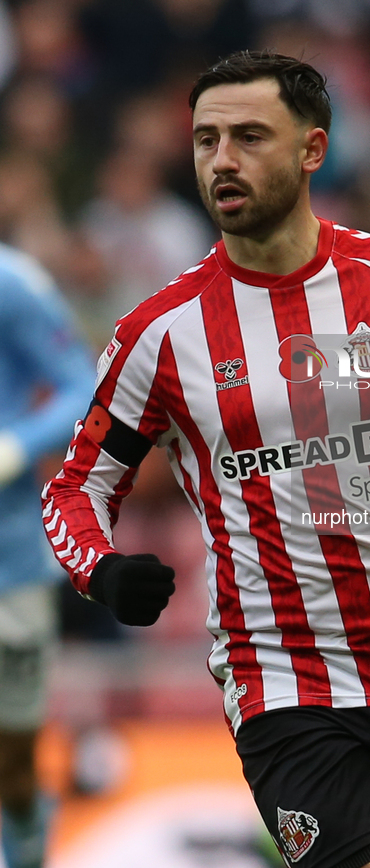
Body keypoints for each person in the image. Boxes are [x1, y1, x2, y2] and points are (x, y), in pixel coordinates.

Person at [42, 51, 370, 868]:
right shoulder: (159, 334)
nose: (222, 161)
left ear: (312, 150)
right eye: (206, 140)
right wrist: (101, 570)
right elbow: (76, 488)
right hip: (285, 683)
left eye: (248, 137)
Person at [0, 241, 95, 868]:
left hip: (8, 571)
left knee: (12, 769)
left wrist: (15, 443)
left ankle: (28, 846)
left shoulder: (11, 281)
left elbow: (81, 384)